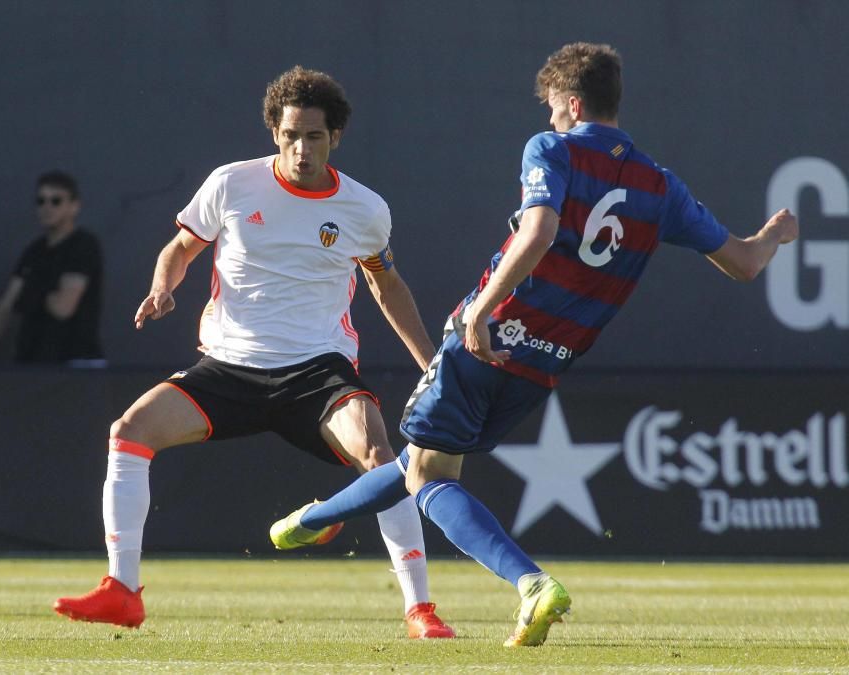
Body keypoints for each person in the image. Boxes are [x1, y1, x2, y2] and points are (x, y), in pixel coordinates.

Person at [270, 42, 800, 647]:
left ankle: (530, 583)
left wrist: (483, 309)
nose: (548, 119)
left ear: (572, 104)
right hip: (548, 362)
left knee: (428, 477)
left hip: (493, 335)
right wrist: (774, 234)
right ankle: (308, 522)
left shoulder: (552, 148)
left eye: (552, 108)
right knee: (423, 461)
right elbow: (743, 263)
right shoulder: (661, 185)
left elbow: (541, 229)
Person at [53, 66, 454, 638]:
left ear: (334, 138)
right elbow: (180, 248)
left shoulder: (364, 210)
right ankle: (123, 591)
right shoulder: (232, 184)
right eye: (290, 135)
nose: (300, 148)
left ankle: (420, 610)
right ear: (274, 132)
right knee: (129, 431)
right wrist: (163, 287)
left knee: (381, 456)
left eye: (313, 136)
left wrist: (430, 364)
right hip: (228, 368)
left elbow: (387, 286)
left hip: (318, 373)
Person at [0, 171, 105, 367]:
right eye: (41, 201)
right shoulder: (34, 252)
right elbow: (6, 305)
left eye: (56, 201)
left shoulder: (83, 246)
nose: (47, 207)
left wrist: (34, 288)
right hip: (32, 363)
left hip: (77, 365)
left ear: (74, 206)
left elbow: (63, 308)